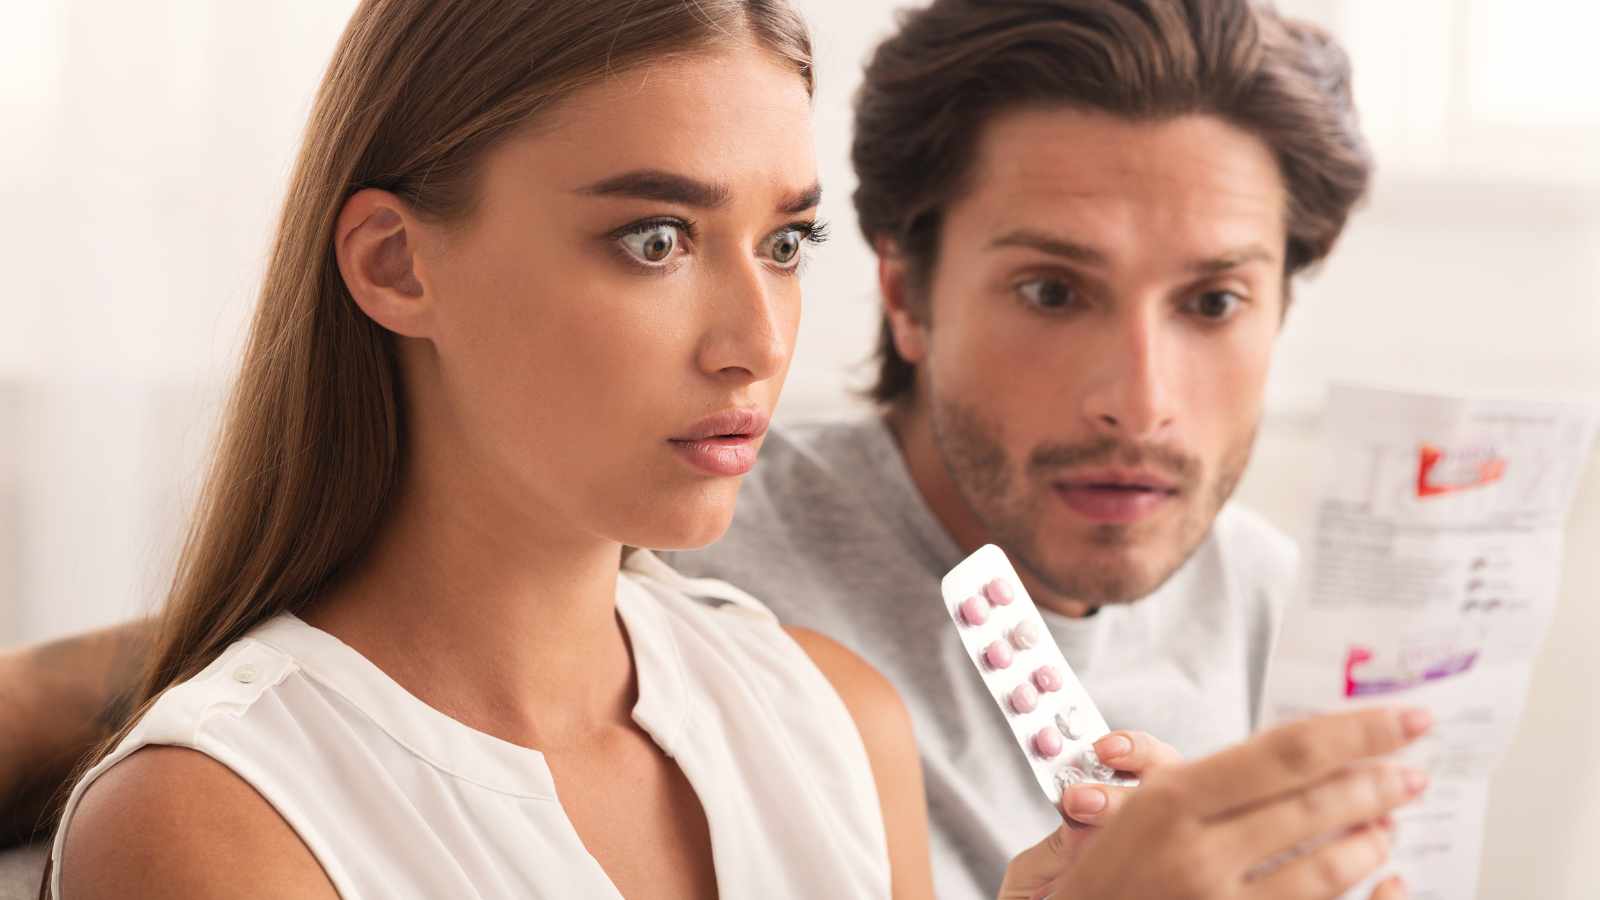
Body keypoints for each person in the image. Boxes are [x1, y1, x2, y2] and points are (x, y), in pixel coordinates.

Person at [3, 2, 1429, 899]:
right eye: (655, 238)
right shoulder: (205, 828)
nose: (756, 340)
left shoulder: (830, 718)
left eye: (785, 242)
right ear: (395, 263)